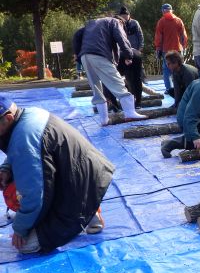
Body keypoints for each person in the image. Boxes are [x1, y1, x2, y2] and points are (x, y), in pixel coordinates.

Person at [0, 96, 115, 254]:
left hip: (79, 184)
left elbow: (34, 195)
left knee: (26, 245)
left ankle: (85, 210)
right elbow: (22, 150)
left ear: (8, 118)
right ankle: (88, 206)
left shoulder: (24, 140)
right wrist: (6, 169)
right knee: (19, 179)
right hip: (87, 171)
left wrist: (19, 229)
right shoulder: (28, 114)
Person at [73, 16, 146, 125]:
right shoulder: (115, 22)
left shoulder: (93, 23)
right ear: (122, 23)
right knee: (117, 83)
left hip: (85, 56)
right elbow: (121, 38)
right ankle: (130, 112)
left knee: (96, 89)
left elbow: (77, 35)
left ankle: (104, 119)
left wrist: (77, 54)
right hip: (99, 54)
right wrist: (128, 55)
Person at [154, 3, 188, 96]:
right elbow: (183, 35)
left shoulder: (161, 21)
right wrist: (184, 46)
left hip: (166, 50)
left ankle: (168, 89)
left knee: (166, 69)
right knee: (179, 68)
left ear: (163, 11)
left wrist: (158, 48)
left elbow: (158, 37)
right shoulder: (178, 20)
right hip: (178, 49)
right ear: (171, 10)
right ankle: (182, 87)